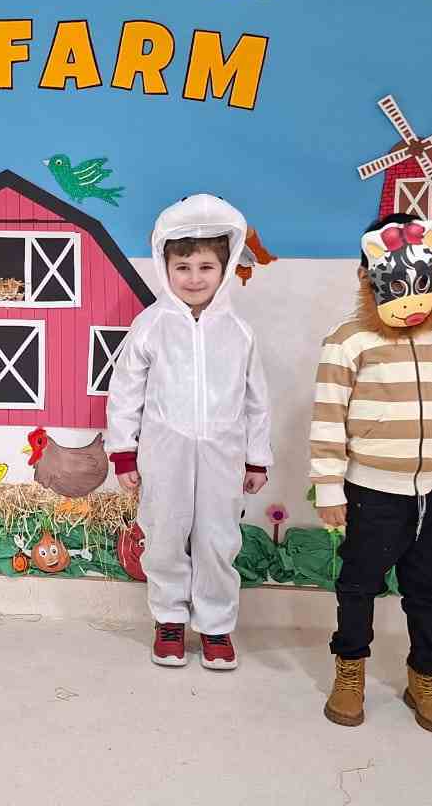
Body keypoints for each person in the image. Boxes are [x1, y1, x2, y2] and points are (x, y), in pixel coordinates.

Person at [311, 213, 432, 733]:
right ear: (365, 276)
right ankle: (350, 671)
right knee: (358, 586)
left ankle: (425, 676)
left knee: (427, 589)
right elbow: (328, 417)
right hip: (371, 493)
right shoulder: (348, 341)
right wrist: (328, 488)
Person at [106, 194, 273, 670]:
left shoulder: (238, 331)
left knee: (219, 540)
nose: (194, 278)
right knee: (164, 534)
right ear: (165, 269)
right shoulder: (150, 326)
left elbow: (256, 399)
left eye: (205, 267)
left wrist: (257, 457)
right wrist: (123, 452)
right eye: (183, 267)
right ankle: (169, 619)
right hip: (164, 453)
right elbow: (125, 392)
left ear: (224, 269)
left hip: (224, 455)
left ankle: (216, 625)